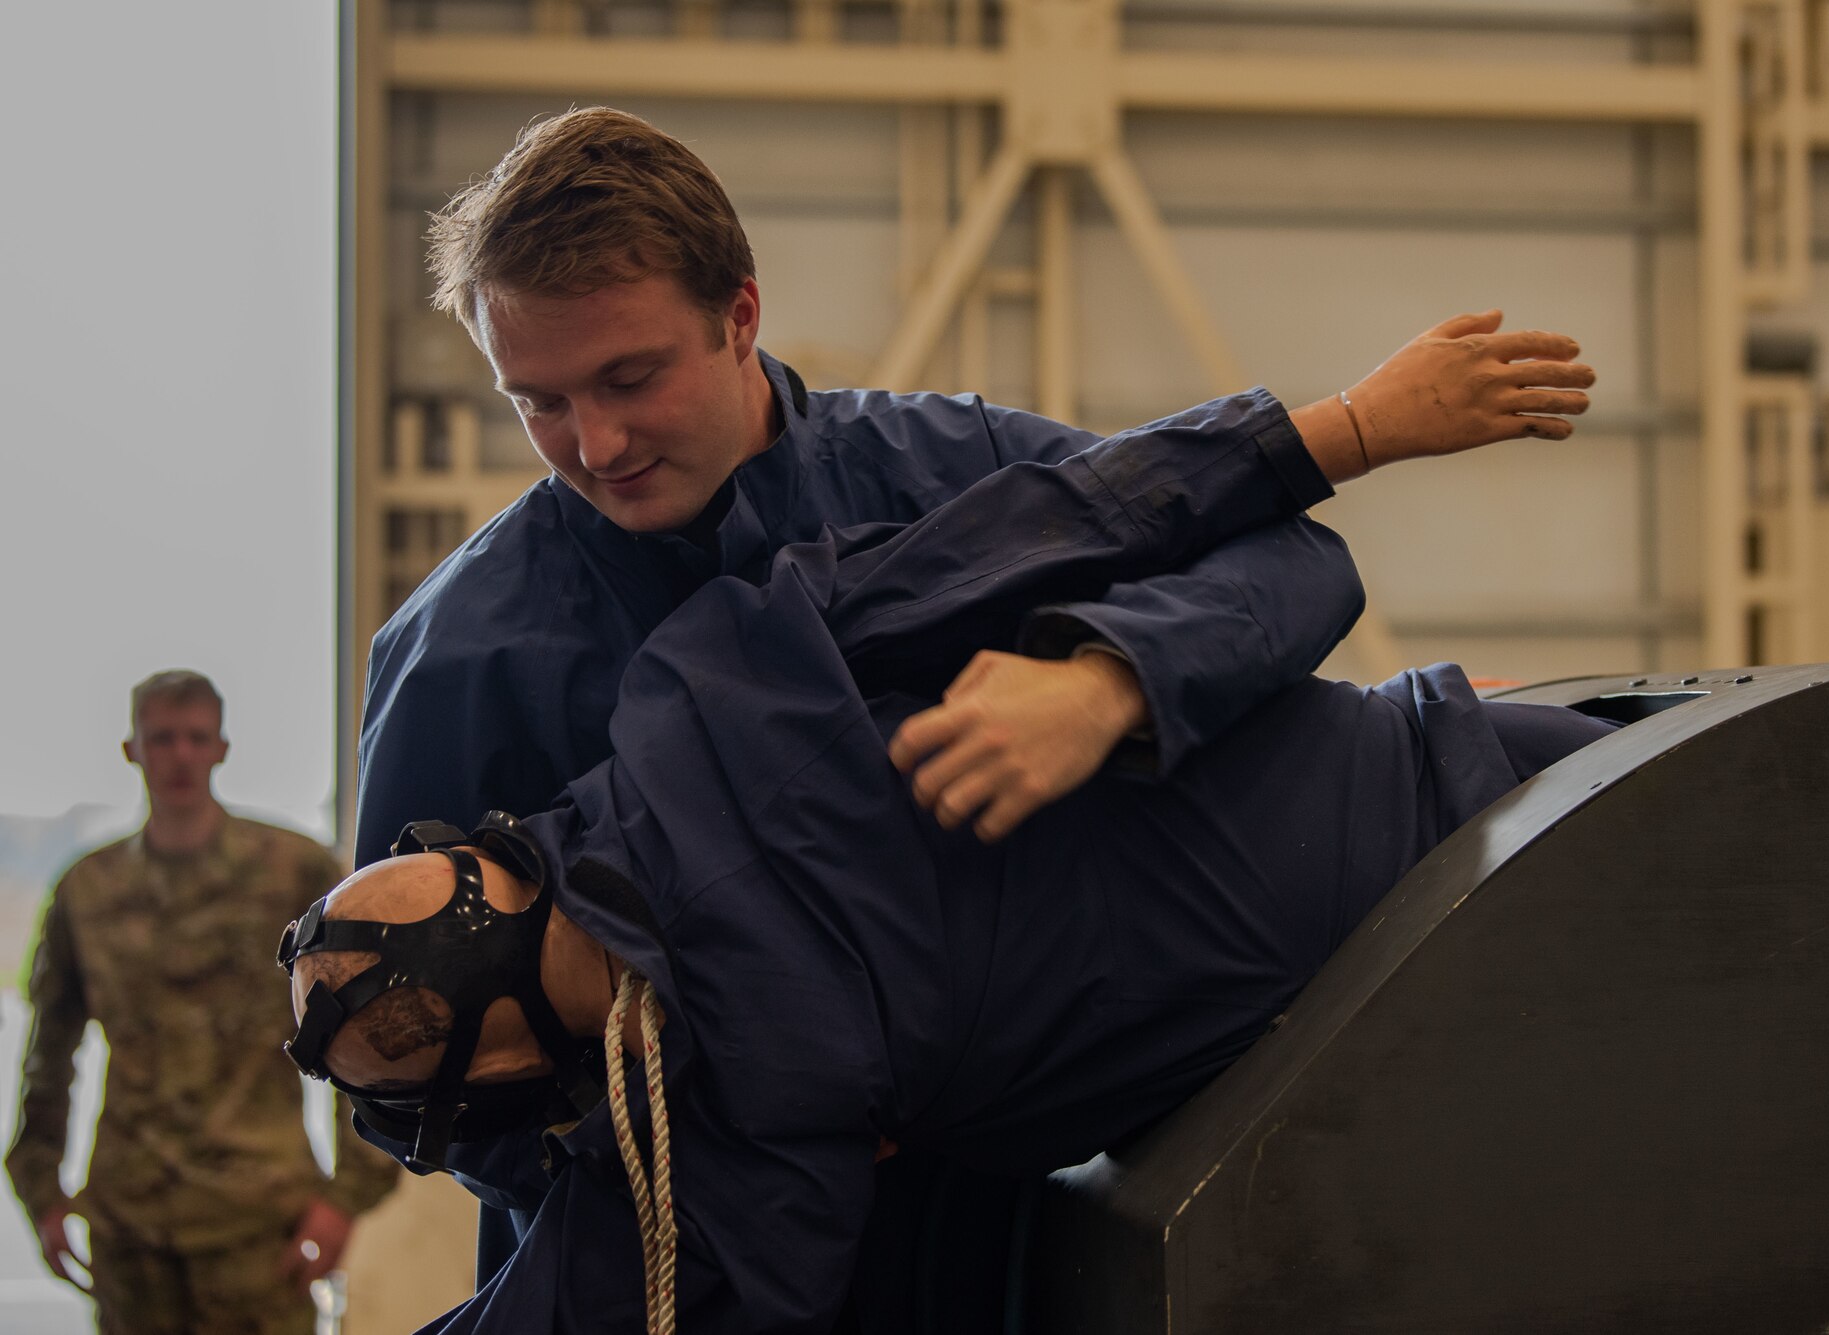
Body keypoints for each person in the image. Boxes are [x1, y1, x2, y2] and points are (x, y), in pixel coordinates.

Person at [356, 103, 1598, 1299]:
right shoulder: (459, 656)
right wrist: (726, 1126)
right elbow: (413, 1058)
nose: (597, 444)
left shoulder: (948, 472)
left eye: (629, 378)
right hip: (718, 1248)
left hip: (1031, 1194)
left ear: (738, 316)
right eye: (540, 403)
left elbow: (1277, 551)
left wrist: (1110, 678)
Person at [7, 671, 402, 1335]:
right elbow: (49, 1055)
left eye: (196, 737)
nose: (181, 755)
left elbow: (365, 1033)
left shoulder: (294, 872)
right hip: (132, 1228)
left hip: (259, 1229)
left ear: (221, 747)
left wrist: (347, 1196)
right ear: (132, 750)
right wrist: (41, 1189)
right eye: (163, 738)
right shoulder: (88, 890)